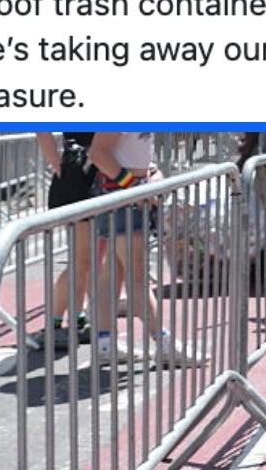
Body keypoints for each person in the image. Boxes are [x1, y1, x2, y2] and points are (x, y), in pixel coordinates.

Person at [88, 132, 203, 367]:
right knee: (136, 273)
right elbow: (98, 153)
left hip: (126, 193)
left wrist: (151, 175)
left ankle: (105, 343)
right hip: (121, 195)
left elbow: (135, 155)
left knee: (115, 271)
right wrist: (134, 186)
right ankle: (162, 341)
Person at [33, 132, 97, 350]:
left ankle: (76, 317)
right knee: (83, 259)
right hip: (82, 175)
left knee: (88, 260)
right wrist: (57, 163)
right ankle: (55, 322)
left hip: (99, 172)